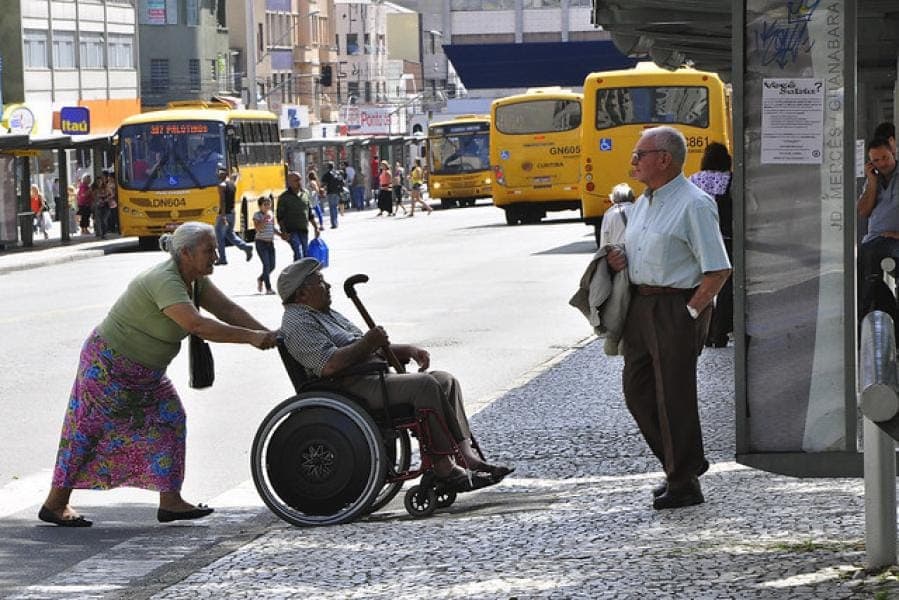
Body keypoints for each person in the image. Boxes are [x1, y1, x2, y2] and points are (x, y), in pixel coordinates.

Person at [38, 222, 278, 527]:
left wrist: (265, 333)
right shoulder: (164, 280)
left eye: (215, 249)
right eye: (209, 250)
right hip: (108, 367)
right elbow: (197, 325)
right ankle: (55, 504)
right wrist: (251, 338)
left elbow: (227, 310)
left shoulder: (195, 280)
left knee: (171, 418)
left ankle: (171, 502)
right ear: (186, 253)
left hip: (146, 376)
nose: (215, 256)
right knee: (86, 432)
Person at [277, 258, 513, 491]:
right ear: (302, 293)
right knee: (424, 385)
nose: (328, 286)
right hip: (350, 386)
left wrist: (408, 350)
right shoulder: (297, 322)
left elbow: (368, 345)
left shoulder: (326, 313)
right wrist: (368, 343)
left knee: (445, 380)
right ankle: (443, 466)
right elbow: (328, 365)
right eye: (320, 282)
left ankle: (466, 455)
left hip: (371, 375)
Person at [607, 126, 731, 510]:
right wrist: (621, 260)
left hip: (676, 306)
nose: (633, 161)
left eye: (639, 154)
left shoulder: (694, 203)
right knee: (638, 391)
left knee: (674, 396)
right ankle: (684, 466)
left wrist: (692, 311)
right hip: (642, 306)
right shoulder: (645, 201)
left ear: (664, 159)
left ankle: (683, 481)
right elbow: (645, 249)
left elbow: (718, 268)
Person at [690, 142, 734, 348]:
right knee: (724, 287)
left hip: (698, 241)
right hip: (725, 238)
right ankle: (720, 332)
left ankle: (704, 333)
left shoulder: (693, 181)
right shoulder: (731, 180)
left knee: (702, 286)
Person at [858, 137, 899, 284]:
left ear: (893, 153)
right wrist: (873, 183)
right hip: (875, 239)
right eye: (876, 160)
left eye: (885, 158)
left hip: (895, 240)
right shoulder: (873, 180)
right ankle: (870, 304)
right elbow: (863, 212)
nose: (882, 163)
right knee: (863, 262)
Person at [214, 165, 253, 265]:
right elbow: (235, 179)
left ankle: (222, 258)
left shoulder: (221, 186)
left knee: (219, 237)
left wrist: (222, 216)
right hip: (232, 213)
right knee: (230, 234)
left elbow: (222, 201)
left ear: (224, 174)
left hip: (224, 214)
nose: (218, 175)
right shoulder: (232, 184)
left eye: (220, 173)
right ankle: (246, 247)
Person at [277, 171, 320, 261]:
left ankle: (303, 273)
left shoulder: (305, 194)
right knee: (298, 251)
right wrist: (283, 231)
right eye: (296, 180)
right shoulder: (284, 197)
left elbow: (309, 213)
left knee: (305, 252)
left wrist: (316, 227)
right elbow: (279, 216)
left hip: (303, 229)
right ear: (289, 182)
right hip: (291, 231)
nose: (299, 182)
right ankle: (298, 273)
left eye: (300, 180)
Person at [252, 196, 280, 295]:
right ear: (260, 206)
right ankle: (268, 288)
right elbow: (258, 228)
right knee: (266, 265)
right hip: (261, 243)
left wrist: (281, 234)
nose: (268, 206)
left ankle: (261, 278)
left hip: (270, 243)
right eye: (265, 204)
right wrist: (264, 219)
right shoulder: (257, 215)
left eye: (269, 204)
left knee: (272, 265)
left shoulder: (271, 214)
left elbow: (273, 228)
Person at [598, 183, 635, 248]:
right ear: (632, 197)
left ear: (613, 199)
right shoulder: (638, 209)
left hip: (618, 253)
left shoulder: (609, 213)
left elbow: (604, 237)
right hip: (636, 251)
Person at [320, 162, 343, 229]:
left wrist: (322, 189)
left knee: (332, 208)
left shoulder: (327, 174)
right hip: (337, 192)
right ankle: (336, 222)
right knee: (335, 207)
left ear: (328, 167)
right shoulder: (337, 173)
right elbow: (342, 181)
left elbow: (323, 183)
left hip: (330, 192)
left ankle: (334, 224)